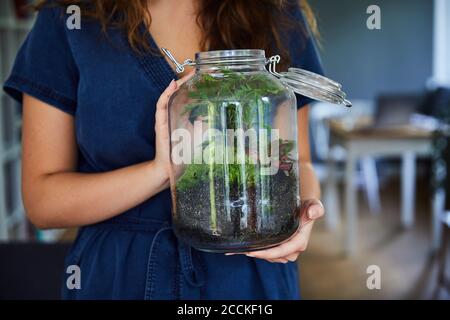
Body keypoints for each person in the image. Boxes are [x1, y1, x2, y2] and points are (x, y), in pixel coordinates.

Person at [4, 0, 325, 299]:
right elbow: (43, 203)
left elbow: (300, 163)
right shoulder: (70, 18)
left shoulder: (276, 12)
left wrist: (301, 217)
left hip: (250, 277)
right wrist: (162, 169)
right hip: (119, 275)